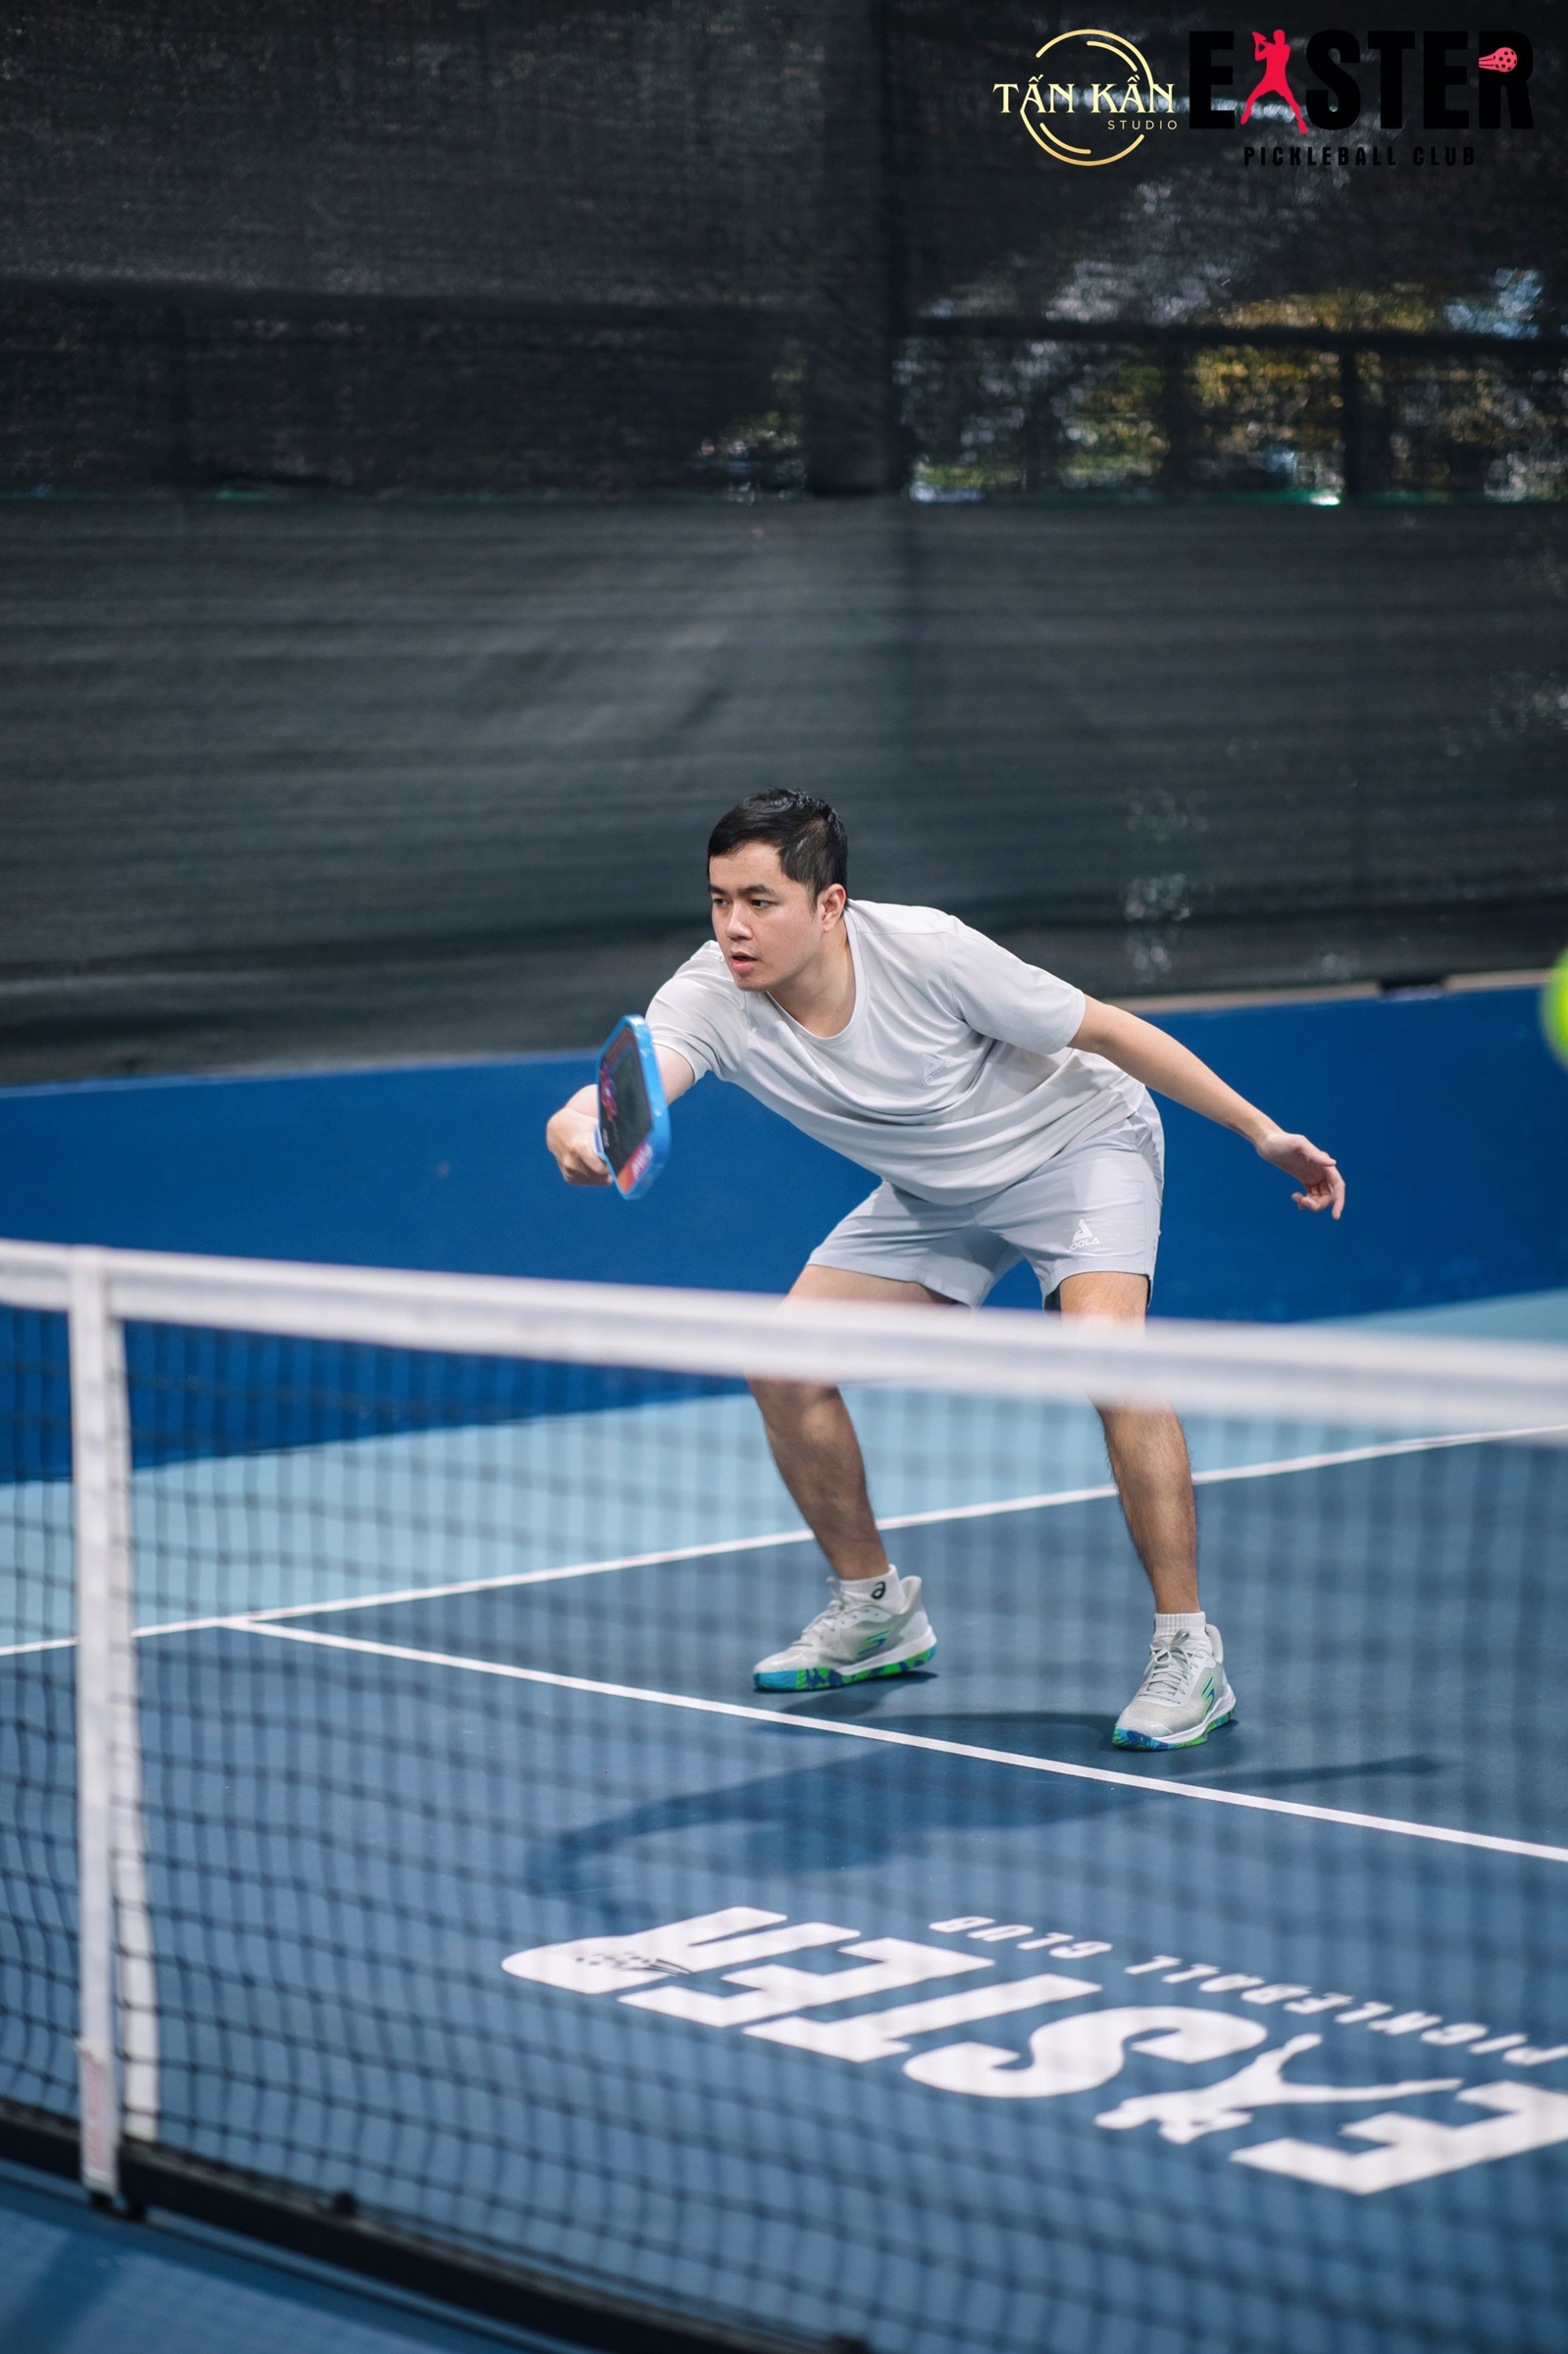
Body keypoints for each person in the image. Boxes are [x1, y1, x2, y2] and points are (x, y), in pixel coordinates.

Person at [545, 792, 1344, 1750]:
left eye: (760, 901)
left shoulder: (929, 952)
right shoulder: (711, 994)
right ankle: (876, 1612)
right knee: (782, 1362)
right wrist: (575, 1127)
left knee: (1108, 1357)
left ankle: (1188, 1650)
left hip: (1076, 1146)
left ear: (829, 905)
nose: (734, 927)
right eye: (719, 901)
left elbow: (1107, 1031)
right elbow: (633, 1087)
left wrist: (1260, 1132)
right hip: (938, 1191)